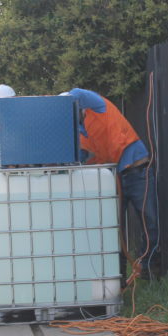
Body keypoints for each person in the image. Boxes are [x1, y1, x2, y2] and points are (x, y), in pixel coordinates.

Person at [66, 88, 159, 278]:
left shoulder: (98, 107)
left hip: (137, 171)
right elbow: (78, 160)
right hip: (114, 180)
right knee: (112, 229)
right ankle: (119, 277)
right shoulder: (79, 134)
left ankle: (149, 270)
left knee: (149, 221)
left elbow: (77, 93)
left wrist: (59, 105)